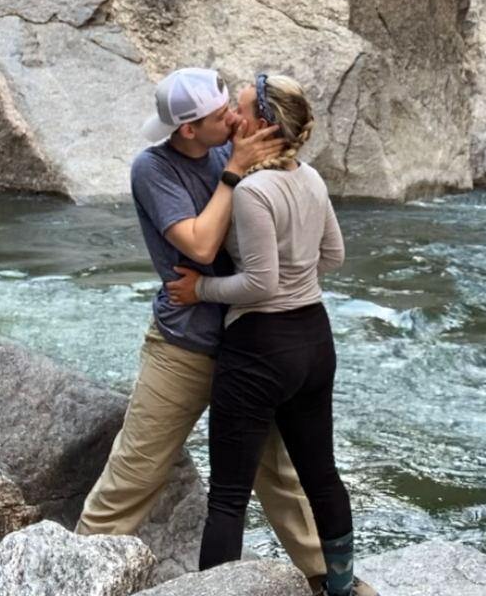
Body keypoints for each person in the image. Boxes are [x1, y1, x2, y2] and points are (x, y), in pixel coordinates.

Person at [76, 66, 327, 585]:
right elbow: (200, 245)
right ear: (188, 129)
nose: (234, 118)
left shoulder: (228, 145)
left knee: (278, 475)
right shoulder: (154, 169)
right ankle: (71, 573)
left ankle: (329, 578)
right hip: (184, 345)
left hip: (253, 342)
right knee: (136, 472)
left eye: (232, 108)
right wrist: (234, 171)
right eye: (221, 115)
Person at [167, 73, 366, 596]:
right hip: (315, 341)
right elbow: (335, 257)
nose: (235, 113)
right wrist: (300, 274)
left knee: (228, 497)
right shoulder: (312, 178)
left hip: (260, 348)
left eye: (244, 107)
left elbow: (259, 283)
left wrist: (199, 291)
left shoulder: (253, 191)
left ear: (264, 125)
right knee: (321, 474)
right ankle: (341, 587)